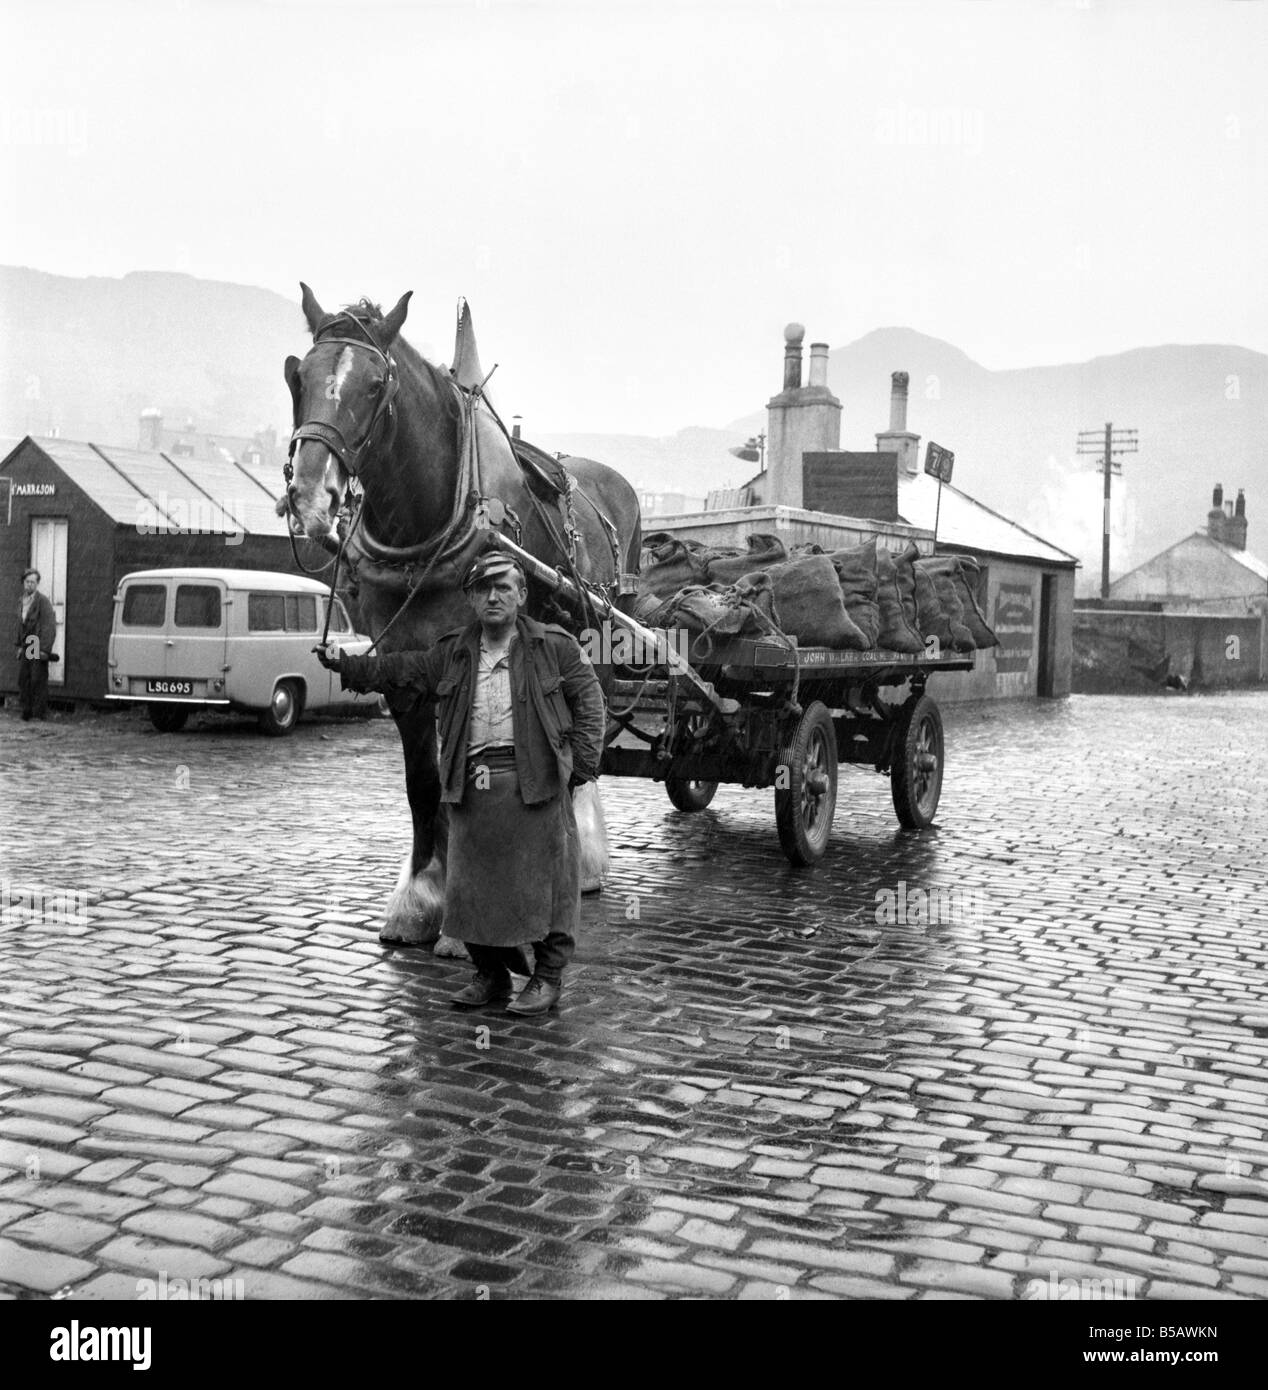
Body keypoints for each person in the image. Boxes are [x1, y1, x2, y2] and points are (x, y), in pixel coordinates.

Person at [318, 551, 605, 1015]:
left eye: (504, 588)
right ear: (471, 598)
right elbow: (399, 670)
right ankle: (491, 975)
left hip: (535, 784)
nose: (494, 597)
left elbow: (590, 702)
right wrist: (345, 665)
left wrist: (581, 770)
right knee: (468, 890)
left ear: (522, 595)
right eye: (484, 589)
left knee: (549, 887)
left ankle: (547, 978)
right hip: (470, 787)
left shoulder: (555, 646)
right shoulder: (452, 651)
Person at [15, 568, 58, 721]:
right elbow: (21, 625)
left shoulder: (43, 602)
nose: (30, 585)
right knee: (24, 679)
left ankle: (38, 713)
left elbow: (49, 626)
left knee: (37, 678)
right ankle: (26, 711)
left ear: (37, 584)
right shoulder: (22, 602)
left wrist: (45, 649)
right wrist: (19, 645)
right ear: (23, 583)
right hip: (27, 643)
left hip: (36, 642)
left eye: (33, 582)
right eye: (27, 582)